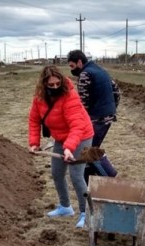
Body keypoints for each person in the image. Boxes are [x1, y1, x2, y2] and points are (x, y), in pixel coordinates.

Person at [28, 65, 94, 228]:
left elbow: (77, 126)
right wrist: (34, 143)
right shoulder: (39, 98)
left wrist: (69, 148)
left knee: (76, 175)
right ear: (44, 84)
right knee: (57, 172)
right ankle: (65, 207)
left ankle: (86, 213)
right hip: (60, 137)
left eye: (58, 84)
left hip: (82, 136)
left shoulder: (70, 96)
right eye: (51, 85)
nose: (55, 87)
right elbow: (34, 120)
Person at [67, 50, 120, 181]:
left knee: (88, 150)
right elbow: (116, 91)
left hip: (97, 118)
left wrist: (78, 123)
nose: (72, 70)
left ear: (80, 62)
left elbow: (83, 104)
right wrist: (111, 110)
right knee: (91, 148)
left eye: (72, 66)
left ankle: (109, 176)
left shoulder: (85, 74)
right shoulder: (101, 70)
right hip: (107, 116)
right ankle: (90, 176)